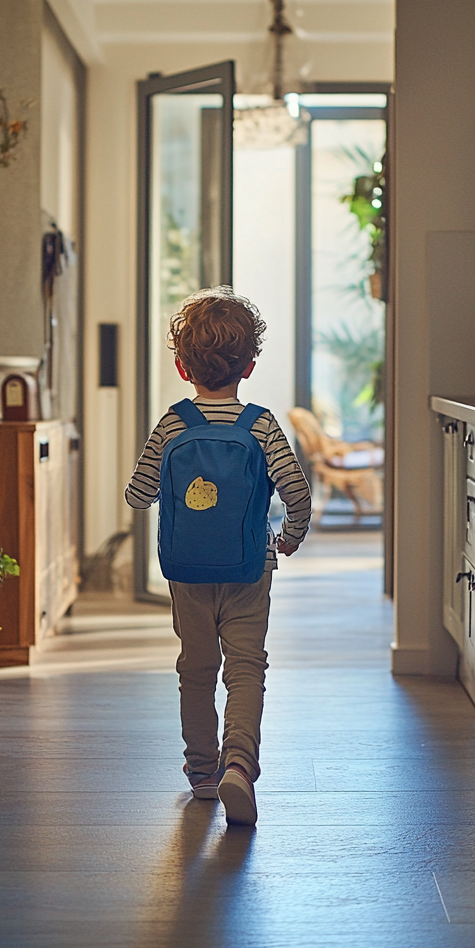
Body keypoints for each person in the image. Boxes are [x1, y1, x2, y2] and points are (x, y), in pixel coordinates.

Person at [125, 287, 311, 825]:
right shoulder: (261, 425)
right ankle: (238, 766)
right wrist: (291, 534)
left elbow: (138, 496)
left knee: (196, 669)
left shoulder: (173, 424)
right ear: (249, 366)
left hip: (187, 572)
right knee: (246, 667)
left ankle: (202, 772)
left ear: (183, 368)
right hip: (250, 567)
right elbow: (295, 492)